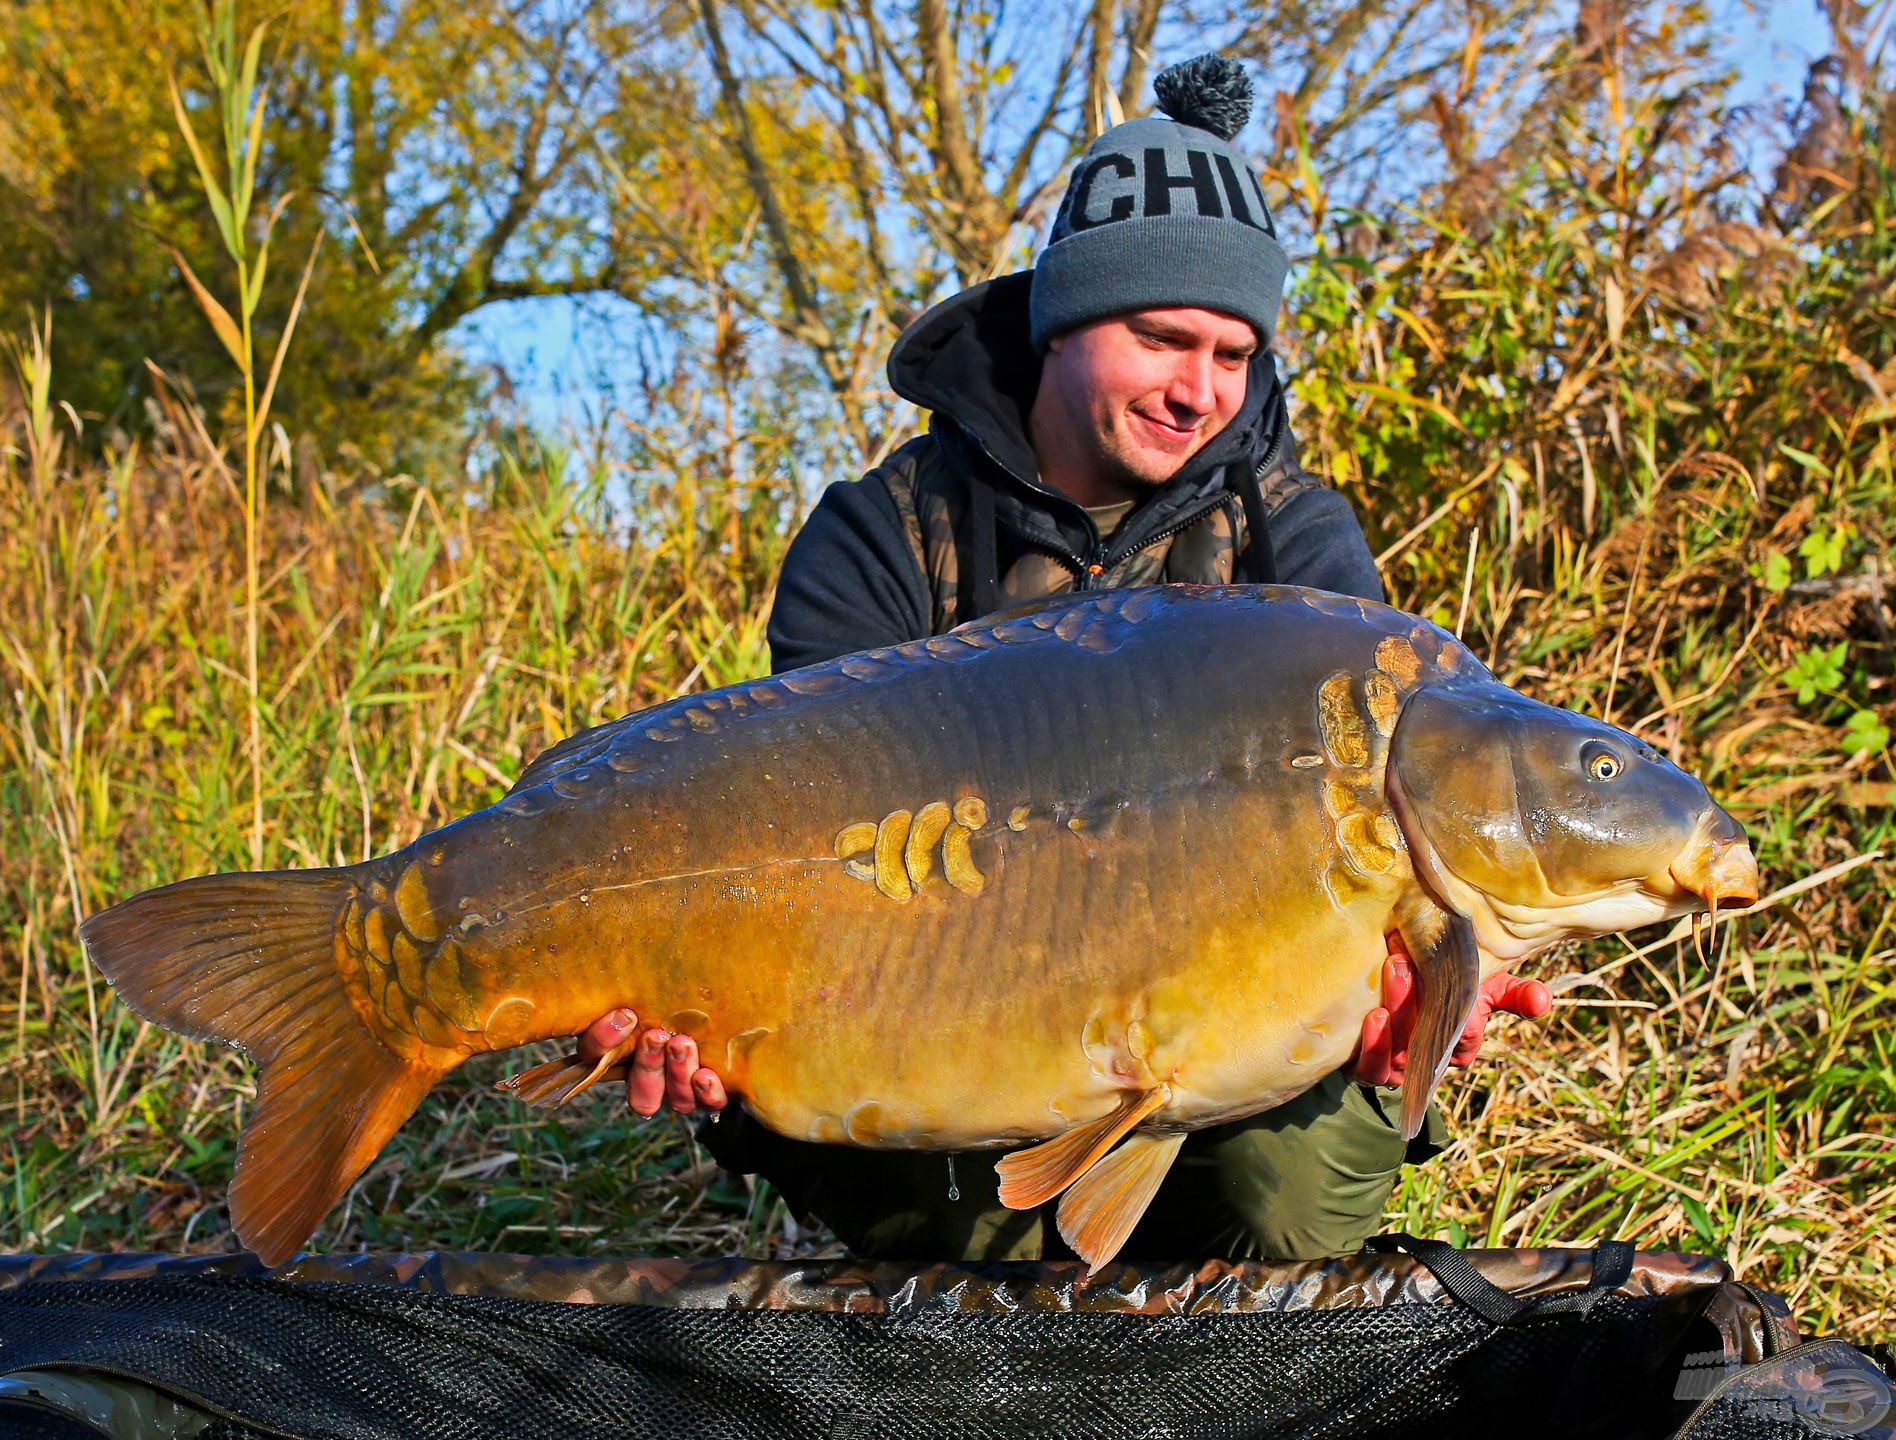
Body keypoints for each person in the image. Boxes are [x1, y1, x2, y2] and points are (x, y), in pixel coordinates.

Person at [570, 54, 1550, 1261]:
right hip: (930, 1010)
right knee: (976, 1243)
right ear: (1063, 323)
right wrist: (688, 1001)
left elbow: (1370, 862)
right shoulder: (884, 531)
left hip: (1213, 1029)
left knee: (1287, 1205)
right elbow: (796, 826)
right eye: (1161, 339)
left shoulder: (1294, 540)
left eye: (1234, 356)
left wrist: (1418, 988)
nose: (1201, 392)